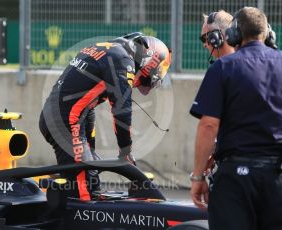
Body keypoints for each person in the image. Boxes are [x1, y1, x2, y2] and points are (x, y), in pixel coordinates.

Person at [39, 32, 172, 200]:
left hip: (62, 118)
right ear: (148, 60)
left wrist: (89, 151)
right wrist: (126, 152)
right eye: (147, 78)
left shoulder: (107, 49)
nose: (141, 83)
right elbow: (121, 110)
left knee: (91, 175)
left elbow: (86, 106)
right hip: (65, 122)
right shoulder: (123, 60)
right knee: (84, 193)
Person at [189, 7, 282, 230]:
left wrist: (198, 177)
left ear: (232, 35)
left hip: (235, 180)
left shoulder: (223, 68)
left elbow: (209, 124)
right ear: (268, 33)